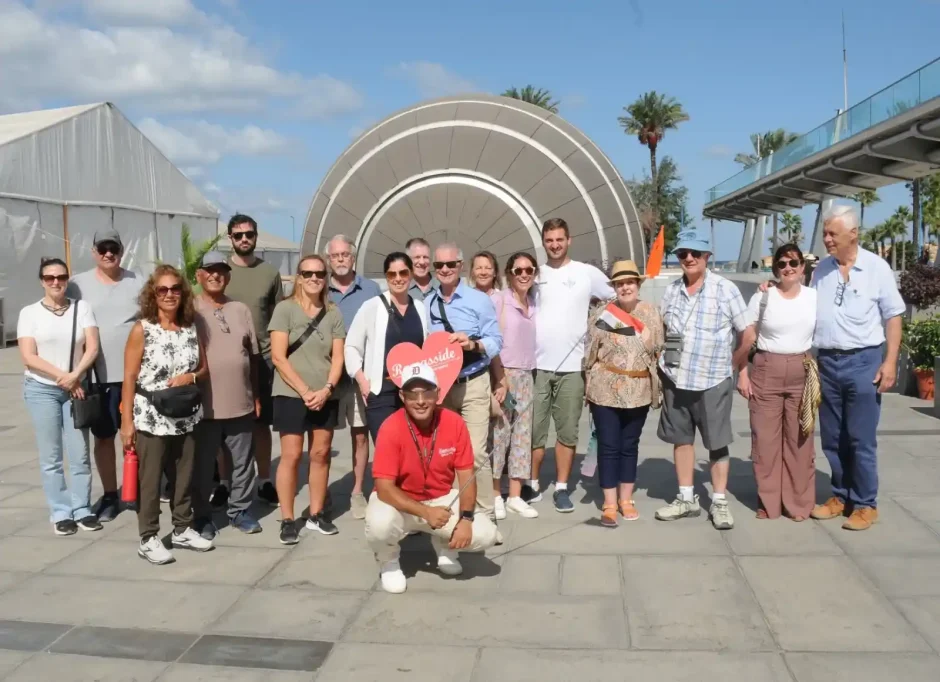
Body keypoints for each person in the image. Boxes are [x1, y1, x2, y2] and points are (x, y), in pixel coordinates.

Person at [364, 362, 499, 594]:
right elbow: (384, 487)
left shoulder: (454, 422)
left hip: (441, 499)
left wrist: (466, 519)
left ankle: (445, 546)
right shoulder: (390, 427)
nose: (420, 401)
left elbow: (467, 475)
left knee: (487, 535)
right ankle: (388, 561)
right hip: (400, 502)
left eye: (427, 392)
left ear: (438, 393)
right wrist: (426, 513)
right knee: (379, 525)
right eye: (412, 394)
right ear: (402, 396)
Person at [809, 205, 905, 531]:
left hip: (864, 361)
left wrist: (890, 361)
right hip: (827, 363)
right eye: (825, 233)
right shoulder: (820, 270)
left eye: (832, 233)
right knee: (833, 439)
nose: (826, 239)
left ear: (853, 234)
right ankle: (841, 496)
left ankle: (866, 504)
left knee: (861, 439)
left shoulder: (877, 268)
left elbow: (893, 316)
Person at [655, 229, 749, 530]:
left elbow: (747, 333)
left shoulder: (726, 289)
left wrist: (735, 364)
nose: (689, 259)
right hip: (676, 378)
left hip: (712, 380)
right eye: (683, 253)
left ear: (708, 256)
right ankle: (686, 498)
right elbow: (662, 329)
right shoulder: (670, 291)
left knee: (717, 443)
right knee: (681, 440)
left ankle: (719, 501)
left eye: (696, 253)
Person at [121, 265, 212, 564]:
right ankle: (148, 537)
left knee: (183, 476)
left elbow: (203, 368)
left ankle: (183, 528)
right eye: (163, 289)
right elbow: (130, 377)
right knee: (150, 481)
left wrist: (192, 378)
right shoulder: (142, 329)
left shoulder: (191, 327)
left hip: (185, 415)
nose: (170, 294)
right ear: (153, 294)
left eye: (175, 289)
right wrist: (126, 424)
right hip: (151, 416)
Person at [530, 218, 614, 512]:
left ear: (569, 240)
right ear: (543, 242)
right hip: (536, 368)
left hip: (573, 369)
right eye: (549, 240)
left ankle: (562, 488)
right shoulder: (534, 274)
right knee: (534, 432)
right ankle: (532, 483)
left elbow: (615, 299)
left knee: (567, 432)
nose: (554, 245)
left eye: (559, 239)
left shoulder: (586, 273)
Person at [18, 257, 102, 536]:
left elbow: (92, 348)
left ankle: (83, 509)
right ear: (42, 281)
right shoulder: (29, 313)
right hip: (43, 389)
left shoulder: (82, 308)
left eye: (61, 277)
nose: (56, 282)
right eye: (50, 277)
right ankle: (61, 511)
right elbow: (29, 357)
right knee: (51, 456)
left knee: (79, 453)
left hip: (76, 387)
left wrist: (75, 374)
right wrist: (64, 378)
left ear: (68, 279)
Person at [736, 245, 817, 521]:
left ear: (802, 267)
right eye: (782, 264)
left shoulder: (814, 297)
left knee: (800, 440)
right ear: (775, 270)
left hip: (801, 370)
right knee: (765, 441)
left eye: (794, 262)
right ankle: (769, 503)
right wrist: (742, 373)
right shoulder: (764, 297)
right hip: (766, 368)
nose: (788, 268)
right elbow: (747, 336)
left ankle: (797, 504)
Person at [66, 229, 143, 522]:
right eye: (103, 248)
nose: (109, 253)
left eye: (114, 248)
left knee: (136, 437)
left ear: (122, 251)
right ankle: (111, 494)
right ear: (94, 251)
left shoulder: (138, 281)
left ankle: (135, 491)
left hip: (134, 376)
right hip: (97, 378)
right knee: (103, 438)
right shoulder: (77, 285)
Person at [269, 255, 346, 545]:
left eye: (319, 274)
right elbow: (278, 357)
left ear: (326, 278)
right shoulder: (285, 310)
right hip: (291, 393)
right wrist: (304, 391)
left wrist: (326, 389)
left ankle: (316, 514)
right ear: (299, 277)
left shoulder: (333, 312)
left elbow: (338, 357)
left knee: (320, 454)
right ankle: (288, 519)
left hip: (324, 393)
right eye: (308, 273)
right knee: (290, 456)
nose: (314, 278)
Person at [426, 244, 503, 523]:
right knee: (445, 452)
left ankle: (484, 513)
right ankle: (452, 507)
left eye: (450, 264)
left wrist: (472, 343)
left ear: (460, 266)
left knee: (476, 451)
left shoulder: (478, 300)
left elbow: (496, 341)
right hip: (442, 389)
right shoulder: (428, 303)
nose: (444, 270)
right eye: (439, 266)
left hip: (473, 383)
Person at [584, 260, 663, 527]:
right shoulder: (602, 313)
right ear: (614, 287)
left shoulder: (651, 313)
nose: (625, 287)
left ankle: (626, 499)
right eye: (620, 283)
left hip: (638, 389)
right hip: (604, 390)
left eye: (629, 282)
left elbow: (657, 349)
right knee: (608, 446)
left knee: (629, 445)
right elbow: (590, 352)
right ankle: (608, 502)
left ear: (638, 285)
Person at [192, 252, 262, 538]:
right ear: (199, 275)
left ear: (228, 276)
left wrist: (256, 395)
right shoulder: (189, 309)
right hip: (203, 406)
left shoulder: (241, 309)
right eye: (209, 270)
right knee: (202, 464)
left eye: (221, 270)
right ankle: (203, 517)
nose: (215, 275)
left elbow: (253, 357)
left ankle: (240, 510)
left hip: (240, 402)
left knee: (244, 461)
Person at [223, 214, 283, 507]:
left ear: (256, 237)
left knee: (261, 423)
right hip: (226, 360)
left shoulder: (269, 273)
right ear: (229, 238)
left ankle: (264, 480)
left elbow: (278, 317)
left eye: (249, 234)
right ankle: (224, 482)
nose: (244, 239)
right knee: (224, 422)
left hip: (264, 360)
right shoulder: (220, 272)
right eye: (238, 235)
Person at [344, 252, 430, 442]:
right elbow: (351, 346)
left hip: (414, 392)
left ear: (411, 274)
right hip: (381, 392)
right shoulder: (372, 306)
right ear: (386, 276)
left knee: (413, 450)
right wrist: (362, 381)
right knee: (387, 449)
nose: (398, 279)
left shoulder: (420, 308)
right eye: (392, 274)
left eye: (403, 273)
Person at [326, 234, 381, 520]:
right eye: (335, 256)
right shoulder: (319, 289)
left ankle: (357, 491)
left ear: (353, 256)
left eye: (345, 255)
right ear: (329, 260)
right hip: (329, 377)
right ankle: (320, 492)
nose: (340, 260)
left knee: (360, 435)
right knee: (321, 438)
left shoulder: (371, 289)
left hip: (360, 376)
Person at [489, 252, 539, 520]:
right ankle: (496, 494)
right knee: (500, 435)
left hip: (527, 375)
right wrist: (500, 378)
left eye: (528, 270)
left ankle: (516, 495)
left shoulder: (532, 302)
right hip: (504, 374)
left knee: (522, 436)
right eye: (518, 270)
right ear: (509, 273)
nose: (523, 274)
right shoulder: (500, 300)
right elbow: (491, 339)